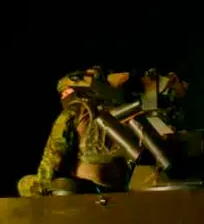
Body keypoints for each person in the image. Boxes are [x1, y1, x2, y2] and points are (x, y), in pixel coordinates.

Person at [19, 68, 134, 197]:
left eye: (64, 93)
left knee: (25, 184)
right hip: (121, 182)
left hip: (88, 182)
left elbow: (55, 151)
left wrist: (44, 183)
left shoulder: (75, 109)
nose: (63, 98)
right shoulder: (123, 110)